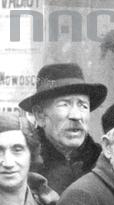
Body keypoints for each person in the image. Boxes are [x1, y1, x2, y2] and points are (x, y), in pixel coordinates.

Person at [20, 63, 106, 194]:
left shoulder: (105, 164)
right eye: (64, 104)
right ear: (40, 115)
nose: (76, 116)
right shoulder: (21, 166)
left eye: (83, 105)